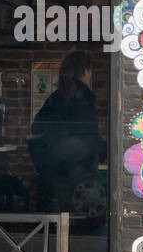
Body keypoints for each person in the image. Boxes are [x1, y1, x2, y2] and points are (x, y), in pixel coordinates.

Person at [28, 51, 105, 220]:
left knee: (55, 236)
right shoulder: (83, 99)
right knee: (83, 235)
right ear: (85, 71)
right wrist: (103, 151)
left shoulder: (55, 99)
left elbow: (36, 131)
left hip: (52, 181)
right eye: (90, 71)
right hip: (79, 183)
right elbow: (87, 138)